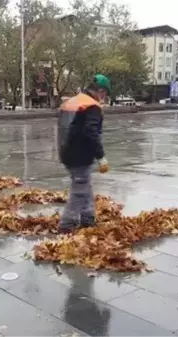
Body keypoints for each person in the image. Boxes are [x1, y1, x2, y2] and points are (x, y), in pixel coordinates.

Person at [57, 74, 110, 233]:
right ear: (100, 90)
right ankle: (67, 224)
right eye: (105, 94)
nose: (104, 98)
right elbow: (91, 132)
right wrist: (101, 156)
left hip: (66, 152)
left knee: (85, 186)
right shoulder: (91, 106)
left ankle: (88, 219)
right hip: (80, 155)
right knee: (80, 190)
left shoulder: (72, 101)